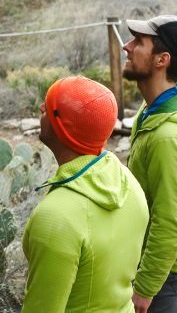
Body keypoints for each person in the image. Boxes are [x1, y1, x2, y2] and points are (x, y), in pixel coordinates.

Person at [21, 76, 148, 312]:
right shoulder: (127, 181)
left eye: (48, 107)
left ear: (62, 128)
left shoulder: (55, 217)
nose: (41, 108)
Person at [122, 15, 177, 313]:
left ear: (162, 60)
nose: (127, 47)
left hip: (165, 280)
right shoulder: (149, 112)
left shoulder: (167, 136)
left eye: (138, 42)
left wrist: (146, 287)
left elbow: (170, 219)